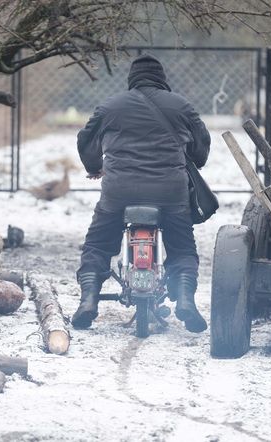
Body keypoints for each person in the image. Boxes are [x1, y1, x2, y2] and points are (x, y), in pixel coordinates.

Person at [72, 54, 211, 333]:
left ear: (131, 79)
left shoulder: (111, 106)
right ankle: (185, 299)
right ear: (161, 79)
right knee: (183, 248)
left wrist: (95, 166)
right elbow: (201, 146)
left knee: (98, 245)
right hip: (170, 191)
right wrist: (190, 157)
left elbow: (85, 139)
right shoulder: (181, 106)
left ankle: (88, 299)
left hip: (119, 190)